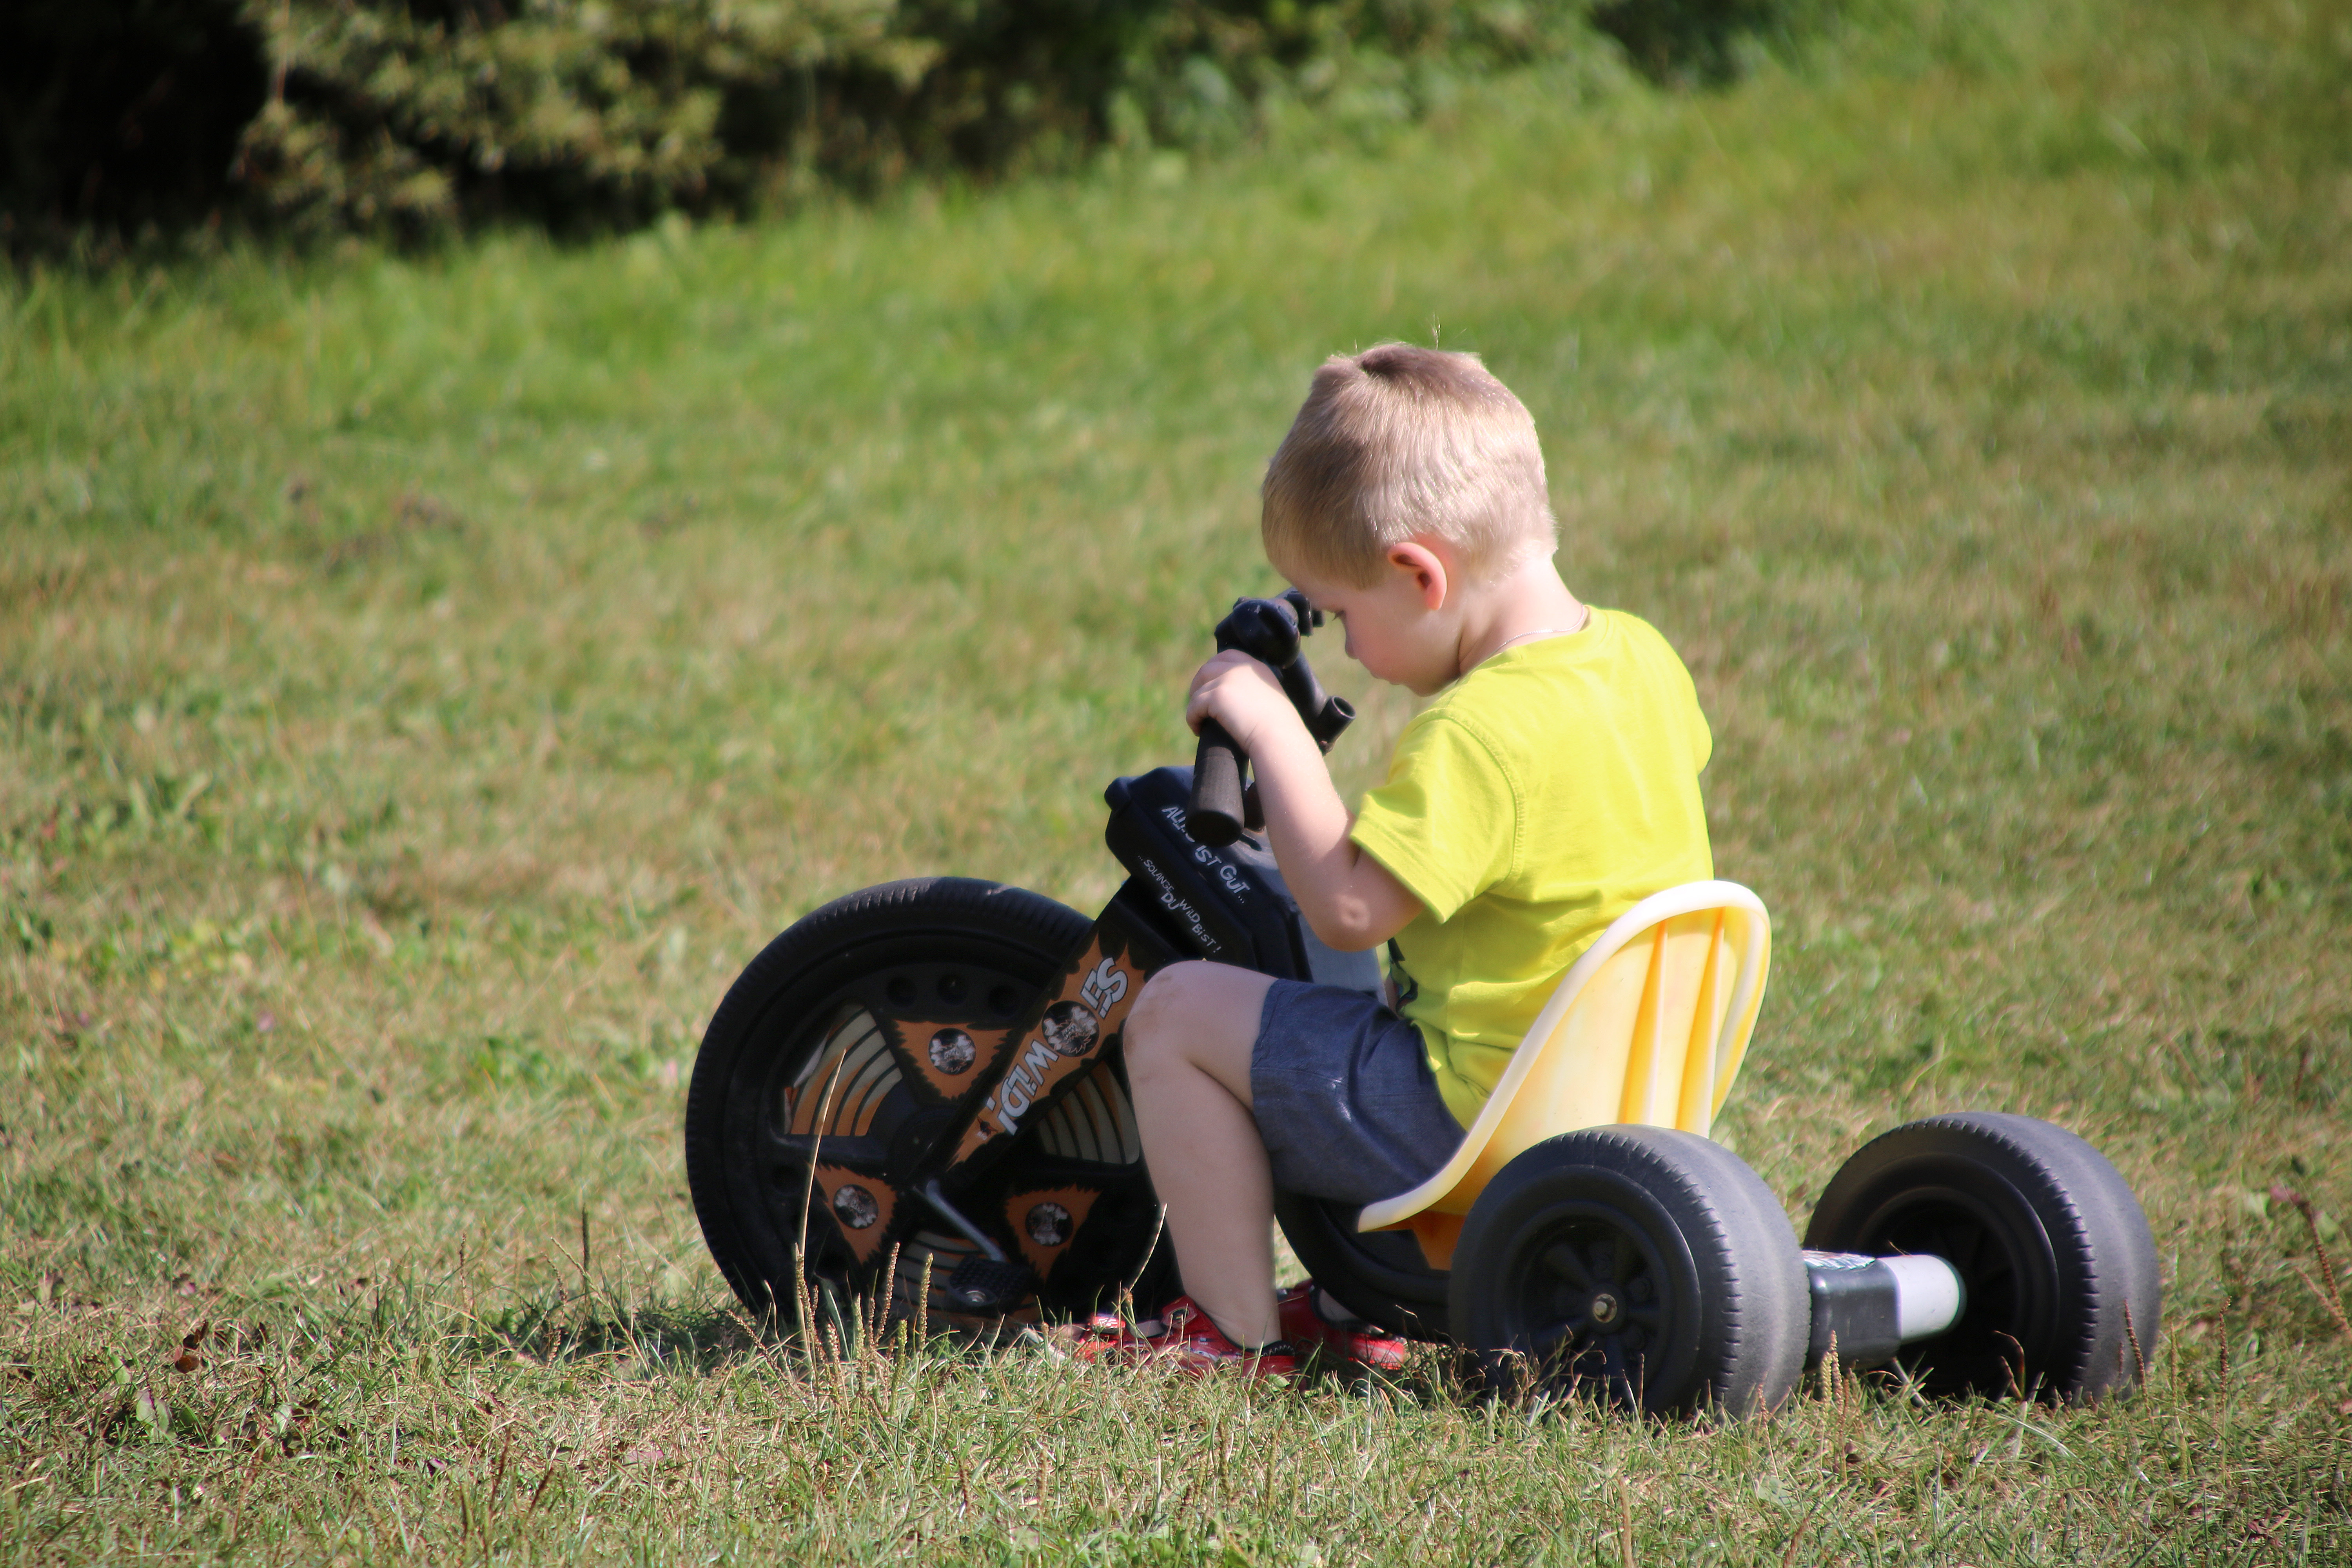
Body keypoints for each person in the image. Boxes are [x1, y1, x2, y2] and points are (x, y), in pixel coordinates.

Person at [1074, 343, 1715, 1378]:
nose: (1355, 653)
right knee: (1366, 1004)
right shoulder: (1641, 658)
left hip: (1477, 1125)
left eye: (1349, 615)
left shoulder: (1483, 730)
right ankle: (1350, 1295)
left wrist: (1269, 726)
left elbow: (1346, 910)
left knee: (1182, 1015)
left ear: (1422, 575)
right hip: (1627, 1098)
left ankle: (1226, 1337)